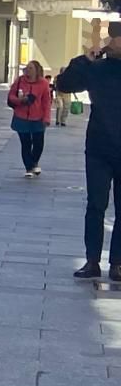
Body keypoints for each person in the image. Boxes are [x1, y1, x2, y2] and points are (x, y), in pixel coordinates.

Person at [57, 24, 121, 279]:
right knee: (96, 205)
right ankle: (92, 261)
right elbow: (65, 84)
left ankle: (117, 263)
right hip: (99, 149)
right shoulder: (97, 69)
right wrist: (84, 59)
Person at [8, 60, 53, 179]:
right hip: (21, 117)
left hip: (38, 117)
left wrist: (47, 117)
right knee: (25, 143)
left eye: (30, 68)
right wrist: (20, 100)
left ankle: (34, 162)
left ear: (37, 70)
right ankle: (29, 167)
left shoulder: (43, 83)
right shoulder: (20, 81)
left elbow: (46, 102)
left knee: (38, 143)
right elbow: (11, 96)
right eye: (27, 68)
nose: (27, 70)